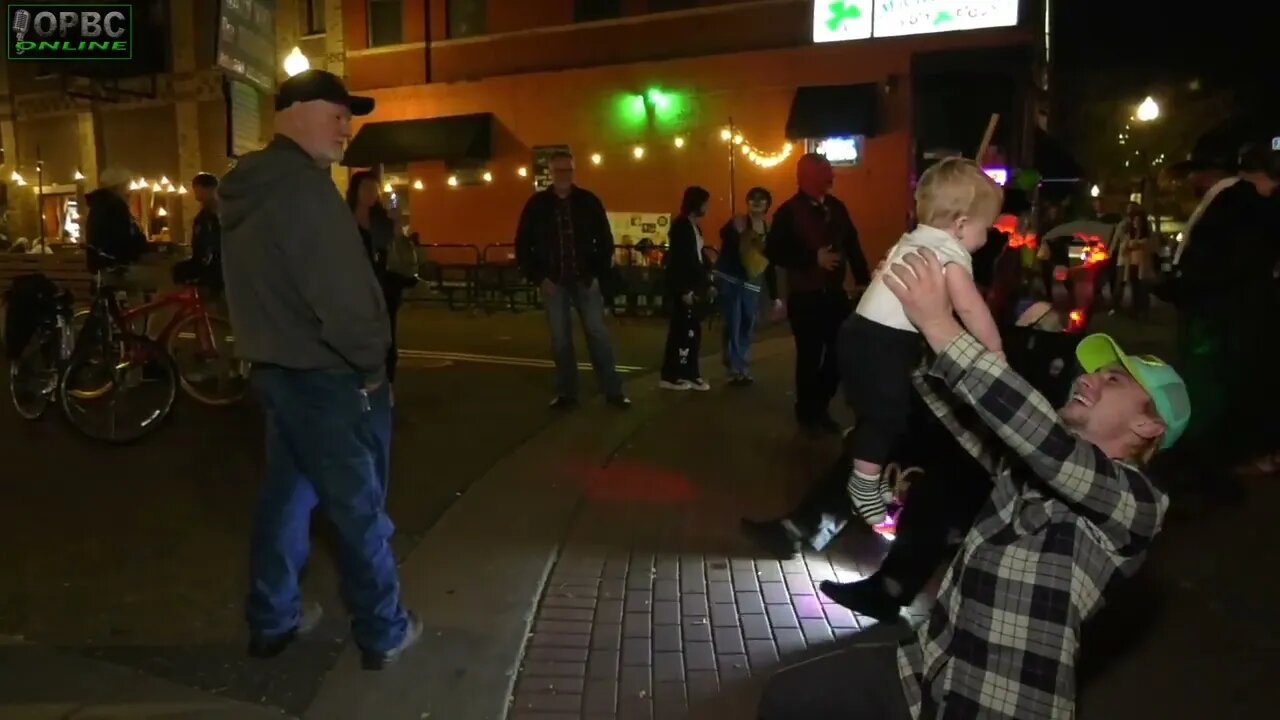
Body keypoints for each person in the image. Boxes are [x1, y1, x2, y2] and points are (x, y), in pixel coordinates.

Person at [758, 248, 1190, 720]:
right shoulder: (1033, 466)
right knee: (793, 697)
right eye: (1095, 370)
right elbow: (968, 418)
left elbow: (1039, 436)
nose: (1090, 378)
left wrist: (944, 328)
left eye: (1114, 379)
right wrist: (905, 321)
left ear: (1148, 428)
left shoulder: (1139, 503)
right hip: (927, 671)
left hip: (998, 703)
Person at [219, 69, 421, 670]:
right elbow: (341, 296)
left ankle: (273, 616)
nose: (347, 128)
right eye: (337, 114)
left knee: (286, 497)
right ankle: (382, 629)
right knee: (360, 510)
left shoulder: (250, 188)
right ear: (297, 111)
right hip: (330, 377)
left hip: (278, 370)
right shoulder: (305, 192)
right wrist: (371, 367)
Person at [841, 157, 1004, 527]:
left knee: (881, 414)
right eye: (987, 229)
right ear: (961, 225)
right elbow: (971, 308)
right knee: (886, 416)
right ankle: (863, 484)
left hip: (859, 332)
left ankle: (868, 469)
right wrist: (995, 352)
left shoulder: (913, 240)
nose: (987, 237)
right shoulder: (948, 254)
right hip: (883, 342)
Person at [514, 150, 630, 410]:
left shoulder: (588, 202)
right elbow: (523, 244)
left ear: (573, 172)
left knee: (598, 335)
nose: (564, 175)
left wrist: (597, 273)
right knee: (560, 339)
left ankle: (613, 390)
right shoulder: (537, 205)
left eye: (568, 170)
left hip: (585, 279)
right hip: (553, 282)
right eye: (559, 171)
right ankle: (567, 393)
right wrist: (539, 278)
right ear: (551, 173)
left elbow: (605, 239)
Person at [766, 153, 870, 436]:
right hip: (805, 296)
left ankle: (818, 404)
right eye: (826, 172)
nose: (832, 176)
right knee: (809, 356)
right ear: (807, 176)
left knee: (841, 352)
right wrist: (813, 258)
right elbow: (774, 251)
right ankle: (809, 412)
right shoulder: (788, 212)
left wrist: (864, 281)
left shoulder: (837, 208)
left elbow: (853, 244)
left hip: (834, 294)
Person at [714, 186, 779, 386]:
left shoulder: (768, 229)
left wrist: (775, 294)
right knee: (733, 320)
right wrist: (738, 232)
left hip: (753, 281)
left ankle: (740, 363)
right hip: (732, 279)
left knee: (747, 322)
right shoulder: (739, 221)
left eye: (761, 199)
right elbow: (725, 237)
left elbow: (770, 262)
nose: (756, 202)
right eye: (752, 198)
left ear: (768, 204)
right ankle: (734, 366)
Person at [347, 171, 406, 383]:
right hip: (355, 287)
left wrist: (397, 223)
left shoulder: (382, 220)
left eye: (374, 189)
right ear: (355, 191)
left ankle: (386, 383)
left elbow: (397, 250)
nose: (371, 193)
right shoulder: (344, 219)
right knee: (357, 338)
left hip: (383, 286)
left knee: (386, 339)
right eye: (366, 188)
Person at [659, 186, 713, 391]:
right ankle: (682, 373)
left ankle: (681, 373)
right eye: (705, 203)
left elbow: (698, 256)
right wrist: (685, 290)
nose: (707, 207)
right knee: (685, 332)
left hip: (692, 285)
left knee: (685, 331)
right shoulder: (682, 227)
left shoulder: (693, 227)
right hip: (686, 287)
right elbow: (683, 260)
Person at [84, 166, 152, 298]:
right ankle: (146, 318)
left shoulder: (99, 205)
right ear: (119, 186)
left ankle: (135, 317)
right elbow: (122, 238)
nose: (128, 190)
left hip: (104, 266)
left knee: (137, 289)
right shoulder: (115, 206)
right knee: (166, 279)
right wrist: (141, 251)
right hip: (115, 268)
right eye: (126, 184)